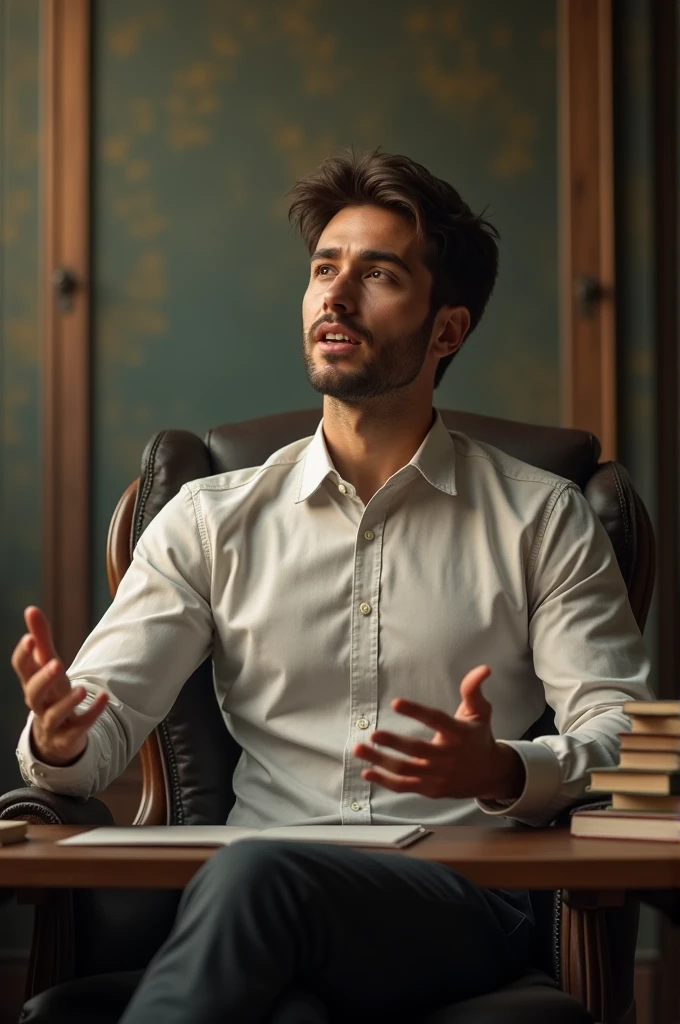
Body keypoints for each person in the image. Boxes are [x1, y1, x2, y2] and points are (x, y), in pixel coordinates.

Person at [13, 150, 650, 1023]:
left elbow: (625, 734)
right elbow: (101, 729)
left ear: (446, 329)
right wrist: (59, 738)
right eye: (324, 269)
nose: (335, 296)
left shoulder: (543, 519)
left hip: (453, 905)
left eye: (378, 273)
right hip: (245, 905)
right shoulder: (211, 519)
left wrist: (508, 767)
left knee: (253, 876)